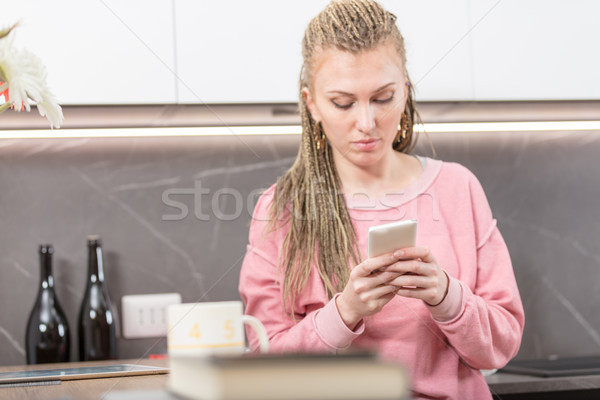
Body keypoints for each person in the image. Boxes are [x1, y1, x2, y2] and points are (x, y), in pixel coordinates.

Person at [239, 1, 525, 399]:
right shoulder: (281, 208)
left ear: (405, 89)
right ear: (312, 103)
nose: (367, 123)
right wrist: (346, 312)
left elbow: (502, 345)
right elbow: (266, 368)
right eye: (343, 103)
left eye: (383, 97)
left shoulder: (458, 188)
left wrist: (446, 295)